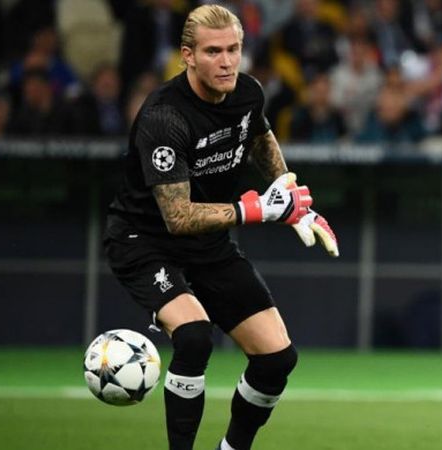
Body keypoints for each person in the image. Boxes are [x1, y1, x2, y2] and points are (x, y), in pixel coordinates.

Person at [103, 6, 338, 450]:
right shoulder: (164, 118)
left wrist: (293, 202)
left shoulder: (247, 93)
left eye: (234, 49)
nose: (227, 61)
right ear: (187, 56)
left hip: (207, 243)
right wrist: (257, 210)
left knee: (277, 359)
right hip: (146, 242)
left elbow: (261, 140)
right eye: (213, 52)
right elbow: (178, 216)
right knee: (194, 337)